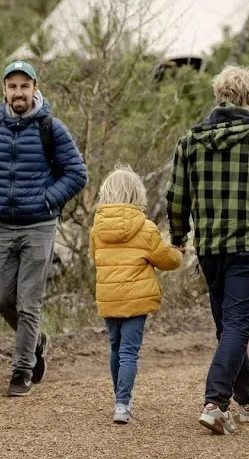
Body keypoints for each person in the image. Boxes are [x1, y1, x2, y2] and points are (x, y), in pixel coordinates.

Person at [165, 65, 249, 435]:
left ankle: (248, 400)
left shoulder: (189, 141)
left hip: (210, 250)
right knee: (237, 326)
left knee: (230, 327)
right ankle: (215, 403)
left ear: (219, 96)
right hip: (248, 249)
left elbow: (177, 197)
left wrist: (179, 237)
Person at [0, 60, 88, 396]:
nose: (18, 92)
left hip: (39, 226)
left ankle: (22, 370)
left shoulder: (52, 128)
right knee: (3, 299)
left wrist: (47, 200)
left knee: (28, 303)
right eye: (12, 86)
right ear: (4, 90)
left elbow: (77, 173)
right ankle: (37, 341)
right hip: (4, 225)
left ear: (35, 88)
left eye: (24, 86)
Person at [90, 165, 183, 424]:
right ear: (136, 195)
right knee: (129, 351)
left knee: (115, 347)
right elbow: (165, 259)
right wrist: (179, 253)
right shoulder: (145, 228)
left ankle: (118, 399)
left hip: (108, 296)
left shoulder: (97, 229)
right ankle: (122, 404)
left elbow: (96, 259)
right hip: (137, 298)